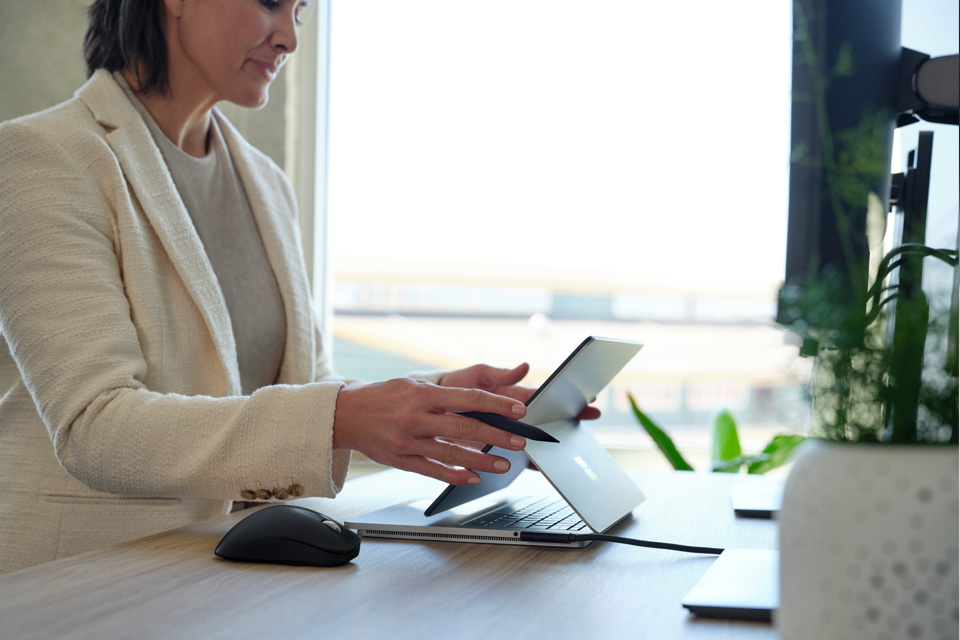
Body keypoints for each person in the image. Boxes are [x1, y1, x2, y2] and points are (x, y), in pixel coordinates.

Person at [0, 0, 596, 574]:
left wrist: (432, 400)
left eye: (301, 12)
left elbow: (298, 389)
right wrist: (343, 416)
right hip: (82, 586)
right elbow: (95, 426)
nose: (290, 37)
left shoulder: (266, 184)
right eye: (269, 2)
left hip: (239, 579)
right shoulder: (44, 157)